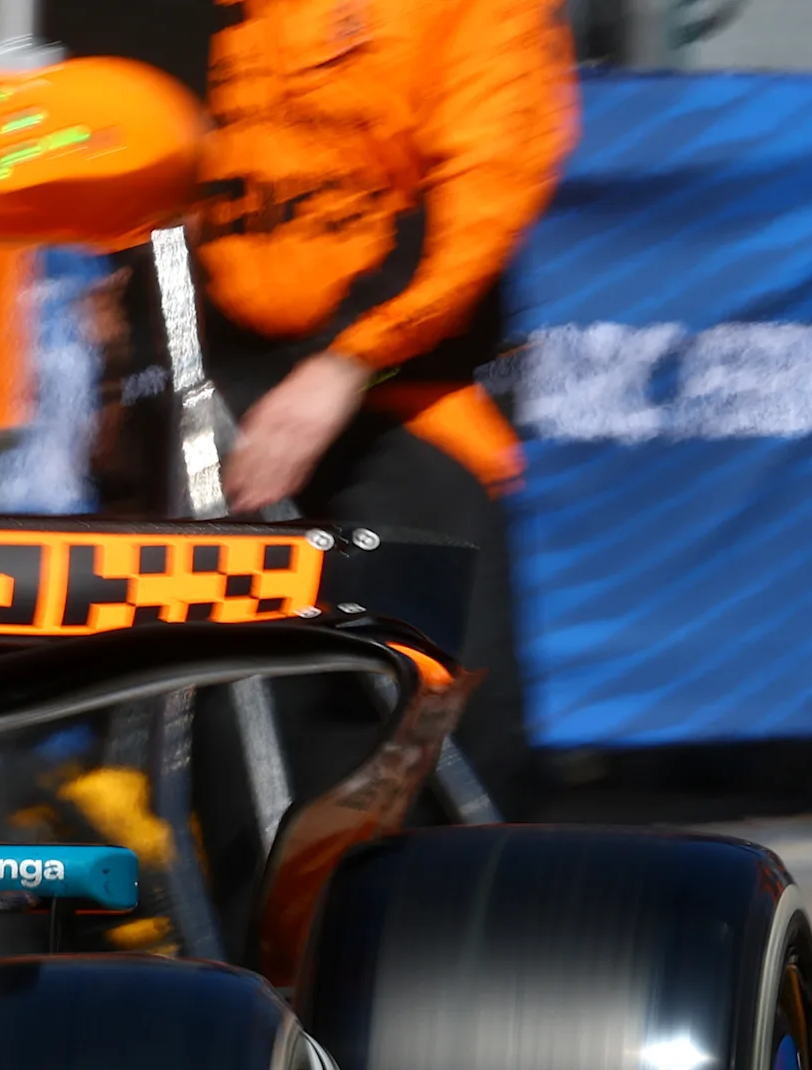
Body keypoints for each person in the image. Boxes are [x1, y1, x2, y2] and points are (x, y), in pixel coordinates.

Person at [194, 0, 574, 812]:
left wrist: (345, 364)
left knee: (443, 734)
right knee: (239, 742)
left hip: (412, 398)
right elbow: (145, 169)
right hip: (231, 399)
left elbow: (479, 204)